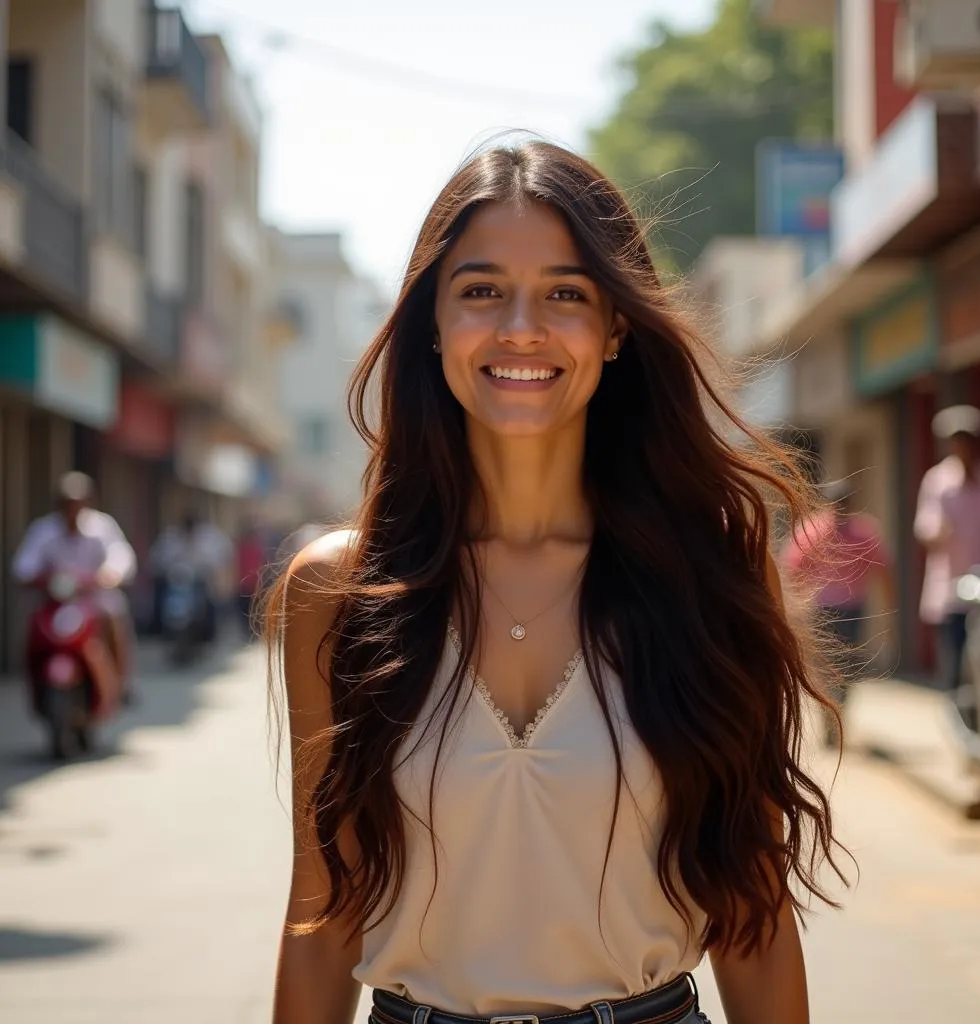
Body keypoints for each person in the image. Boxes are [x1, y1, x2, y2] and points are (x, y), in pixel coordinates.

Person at [268, 141, 848, 1024]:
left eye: (566, 293)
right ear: (432, 322)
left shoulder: (710, 571)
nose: (521, 328)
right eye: (482, 290)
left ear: (616, 326)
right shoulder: (337, 592)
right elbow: (325, 907)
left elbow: (750, 913)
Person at [914, 404, 980, 817]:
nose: (963, 447)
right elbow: (928, 532)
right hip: (952, 600)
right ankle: (978, 772)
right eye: (956, 440)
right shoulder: (937, 482)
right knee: (960, 689)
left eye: (969, 439)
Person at [781, 480, 896, 743]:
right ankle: (829, 710)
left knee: (848, 667)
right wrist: (796, 606)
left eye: (845, 504)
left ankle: (837, 709)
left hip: (854, 609)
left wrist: (889, 611)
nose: (841, 509)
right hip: (822, 609)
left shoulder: (864, 532)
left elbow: (883, 570)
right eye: (837, 504)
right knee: (824, 666)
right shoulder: (813, 530)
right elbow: (793, 568)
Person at [12, 471, 137, 704]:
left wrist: (110, 575)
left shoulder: (102, 527)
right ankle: (31, 679)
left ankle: (122, 680)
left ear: (88, 502)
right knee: (32, 623)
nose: (72, 509)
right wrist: (34, 578)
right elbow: (23, 565)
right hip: (55, 602)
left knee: (114, 614)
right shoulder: (44, 530)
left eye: (78, 503)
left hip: (93, 599)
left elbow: (121, 557)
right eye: (67, 503)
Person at [150, 509, 234, 641]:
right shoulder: (171, 537)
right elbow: (157, 559)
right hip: (175, 582)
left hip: (199, 581)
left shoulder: (209, 537)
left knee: (208, 604)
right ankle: (159, 628)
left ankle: (208, 634)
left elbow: (222, 555)